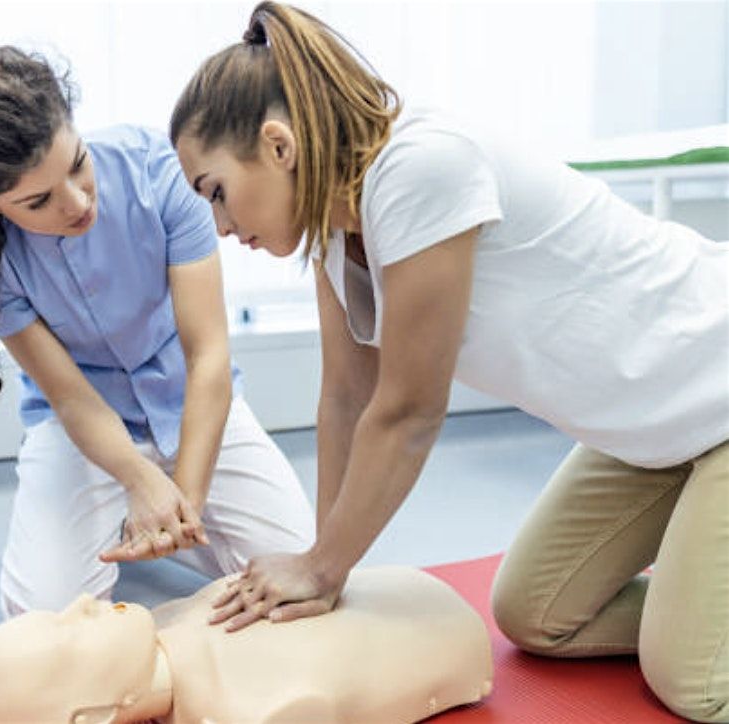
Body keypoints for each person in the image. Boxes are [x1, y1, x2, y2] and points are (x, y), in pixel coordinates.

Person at [167, 3, 729, 721]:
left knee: (691, 679)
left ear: (278, 146)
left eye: (215, 190)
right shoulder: (332, 233)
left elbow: (407, 412)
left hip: (714, 384)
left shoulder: (418, 167)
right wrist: (324, 565)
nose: (218, 225)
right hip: (654, 433)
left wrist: (321, 567)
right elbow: (345, 398)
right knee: (538, 615)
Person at [0, 36, 314, 618]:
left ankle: (162, 530)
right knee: (43, 620)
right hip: (83, 426)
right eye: (39, 200)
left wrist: (185, 500)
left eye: (78, 164)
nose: (78, 201)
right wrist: (137, 477)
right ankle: (130, 517)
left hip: (193, 402)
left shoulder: (160, 172)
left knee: (298, 570)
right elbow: (72, 399)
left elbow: (207, 355)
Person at [0, 566, 493, 723]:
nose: (81, 601)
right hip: (434, 621)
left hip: (428, 614)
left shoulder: (171, 621)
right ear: (93, 715)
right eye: (68, 631)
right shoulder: (252, 709)